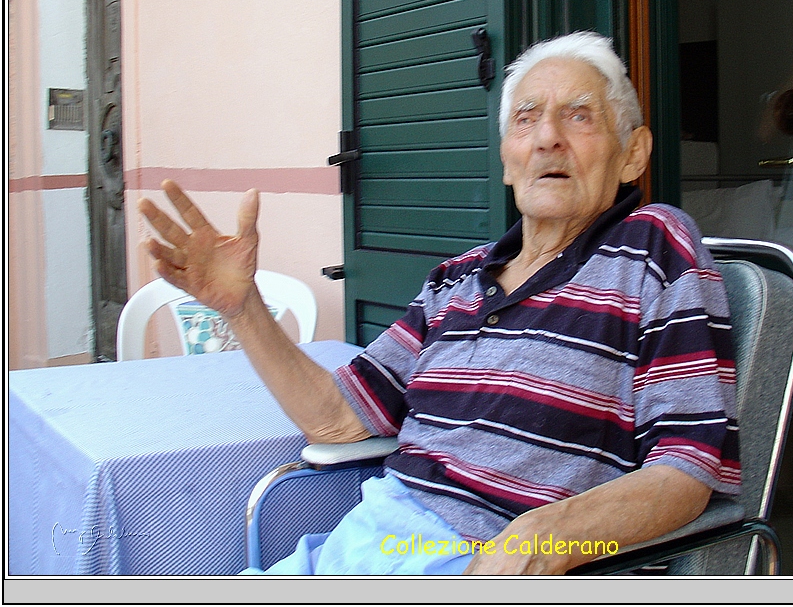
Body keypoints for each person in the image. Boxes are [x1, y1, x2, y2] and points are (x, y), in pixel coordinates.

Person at [139, 32, 739, 576]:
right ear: (507, 156)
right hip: (363, 548)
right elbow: (337, 417)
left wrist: (547, 536)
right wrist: (243, 308)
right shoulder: (457, 280)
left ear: (632, 153)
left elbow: (687, 465)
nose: (548, 136)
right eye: (527, 119)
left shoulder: (653, 247)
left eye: (579, 116)